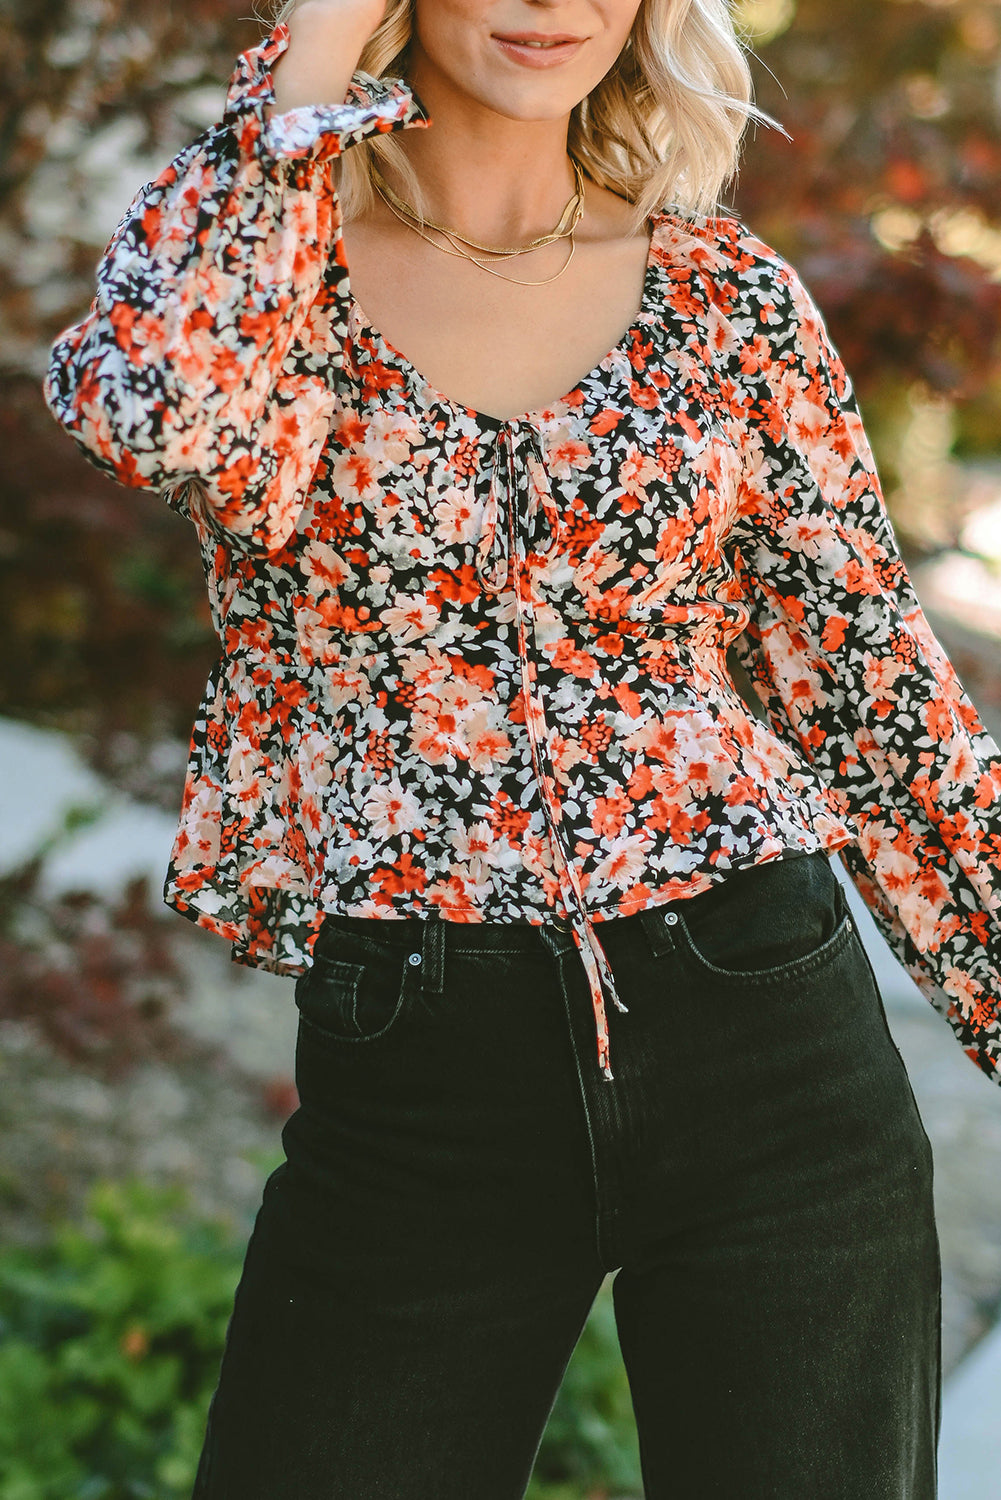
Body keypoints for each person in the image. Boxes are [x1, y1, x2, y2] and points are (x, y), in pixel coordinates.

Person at [42, 0, 1001, 1492]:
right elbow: (149, 414)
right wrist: (308, 68)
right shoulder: (270, 289)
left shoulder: (723, 300)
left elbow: (873, 700)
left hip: (767, 1043)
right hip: (423, 1077)